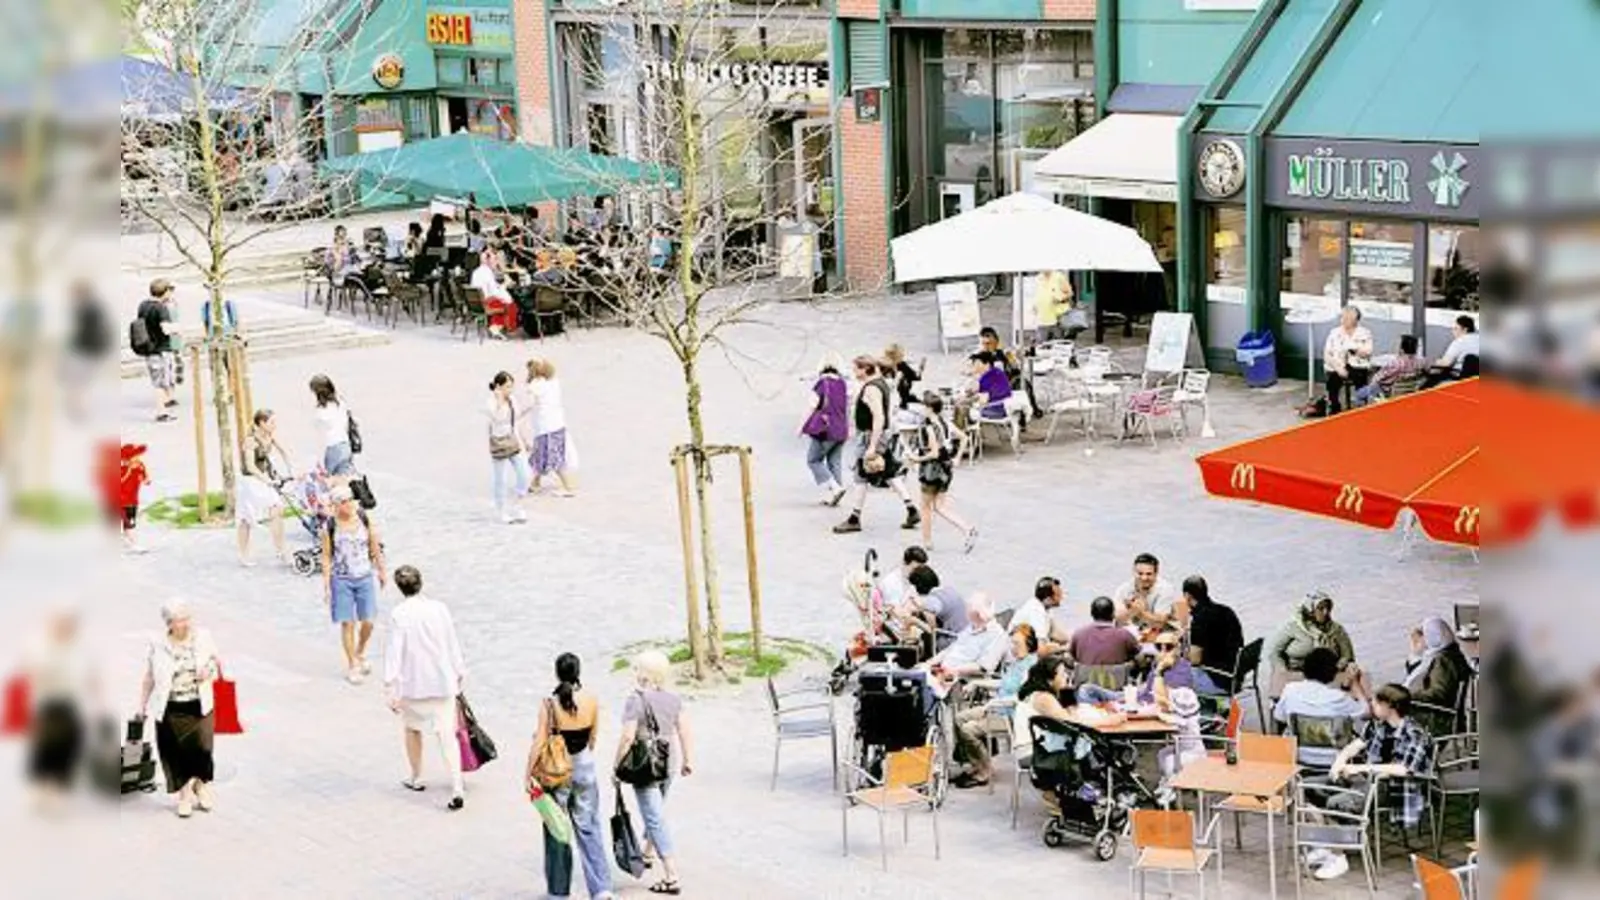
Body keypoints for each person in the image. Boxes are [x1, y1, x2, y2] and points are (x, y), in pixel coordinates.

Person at [1303, 683, 1435, 880]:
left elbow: (1403, 769)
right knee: (1308, 787)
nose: (1371, 704)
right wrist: (1339, 762)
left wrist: (1360, 768)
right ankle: (1327, 845)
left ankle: (1338, 858)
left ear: (1390, 707)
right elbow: (1355, 745)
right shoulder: (1377, 725)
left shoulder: (1415, 734)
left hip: (1394, 788)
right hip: (1364, 780)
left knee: (1336, 803)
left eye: (1376, 702)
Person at [383, 566, 467, 811]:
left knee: (412, 729)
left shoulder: (400, 614)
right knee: (447, 736)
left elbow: (394, 652)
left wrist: (391, 685)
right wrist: (459, 669)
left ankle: (416, 776)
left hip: (414, 684)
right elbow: (451, 640)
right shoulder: (439, 608)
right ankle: (457, 785)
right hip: (442, 681)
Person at [531, 653, 614, 899]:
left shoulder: (549, 704)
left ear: (557, 673)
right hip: (584, 765)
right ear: (579, 672)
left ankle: (558, 892)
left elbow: (539, 741)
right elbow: (593, 738)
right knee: (589, 827)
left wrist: (528, 773)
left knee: (557, 828)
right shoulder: (591, 700)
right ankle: (601, 889)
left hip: (557, 772)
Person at [614, 651, 693, 897]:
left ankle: (671, 875)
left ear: (645, 673)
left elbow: (628, 737)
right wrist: (688, 760)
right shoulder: (674, 699)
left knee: (654, 816)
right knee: (657, 809)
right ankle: (647, 853)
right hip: (668, 760)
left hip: (645, 764)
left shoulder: (634, 700)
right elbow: (684, 730)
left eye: (637, 668)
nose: (634, 672)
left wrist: (616, 766)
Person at [137, 600, 220, 818]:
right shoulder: (158, 644)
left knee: (202, 751)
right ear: (169, 623)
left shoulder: (203, 637)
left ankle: (201, 786)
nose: (186, 624)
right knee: (175, 754)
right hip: (170, 706)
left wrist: (208, 670)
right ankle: (184, 795)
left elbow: (215, 662)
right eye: (180, 620)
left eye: (187, 618)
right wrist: (142, 706)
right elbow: (149, 677)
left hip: (199, 703)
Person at [832, 356, 921, 535]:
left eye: (856, 368)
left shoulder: (871, 389)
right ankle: (911, 509)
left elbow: (879, 417)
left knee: (861, 475)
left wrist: (872, 446)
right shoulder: (880, 383)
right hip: (877, 435)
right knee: (889, 472)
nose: (853, 372)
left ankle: (854, 518)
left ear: (865, 369)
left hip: (869, 436)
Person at [951, 624, 1038, 789]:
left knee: (968, 729)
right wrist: (977, 683)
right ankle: (977, 763)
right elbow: (1003, 684)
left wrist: (993, 703)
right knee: (959, 718)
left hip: (1009, 714)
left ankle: (984, 771)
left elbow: (1022, 696)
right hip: (996, 708)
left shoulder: (1030, 667)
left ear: (1029, 644)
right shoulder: (1016, 663)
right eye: (1012, 643)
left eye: (1017, 644)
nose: (1013, 648)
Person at [24, 607, 92, 812]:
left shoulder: (78, 649)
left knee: (69, 747)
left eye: (69, 624)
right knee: (45, 748)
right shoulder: (42, 647)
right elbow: (33, 674)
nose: (65, 628)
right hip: (47, 704)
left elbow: (87, 677)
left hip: (71, 705)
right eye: (61, 623)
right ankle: (43, 788)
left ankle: (56, 791)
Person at [321, 484, 387, 684]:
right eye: (344, 501)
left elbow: (374, 545)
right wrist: (326, 584)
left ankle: (360, 651)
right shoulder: (329, 527)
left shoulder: (363, 518)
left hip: (364, 575)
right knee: (347, 622)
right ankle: (352, 664)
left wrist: (382, 570)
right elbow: (326, 556)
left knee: (368, 621)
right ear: (335, 505)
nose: (349, 504)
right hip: (341, 579)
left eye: (350, 499)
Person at [1273, 648, 1369, 764]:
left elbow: (1279, 717)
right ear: (1333, 673)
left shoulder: (1290, 690)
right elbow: (1366, 713)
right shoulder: (1339, 698)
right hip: (1336, 759)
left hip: (1298, 756)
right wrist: (1355, 683)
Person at [909, 392, 977, 554]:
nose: (922, 409)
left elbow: (933, 453)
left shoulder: (929, 427)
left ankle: (927, 541)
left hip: (932, 469)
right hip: (946, 468)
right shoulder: (946, 423)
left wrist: (915, 458)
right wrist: (957, 458)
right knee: (940, 506)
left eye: (924, 406)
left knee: (925, 506)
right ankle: (967, 529)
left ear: (930, 408)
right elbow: (964, 438)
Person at [1269, 591, 1360, 696]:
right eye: (1321, 609)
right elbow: (1274, 652)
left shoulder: (1336, 630)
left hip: (1330, 674)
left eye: (1328, 608)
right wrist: (1282, 669)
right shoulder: (1293, 628)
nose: (1326, 612)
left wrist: (1337, 667)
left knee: (1354, 671)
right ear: (1310, 611)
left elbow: (1347, 655)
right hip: (1297, 674)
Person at [1078, 629, 1194, 710]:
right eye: (1158, 647)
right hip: (1139, 696)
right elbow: (1148, 687)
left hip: (1145, 705)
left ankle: (1100, 720)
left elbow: (1164, 701)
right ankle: (1098, 717)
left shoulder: (1182, 669)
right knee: (1087, 689)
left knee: (1088, 692)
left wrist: (1160, 671)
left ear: (1178, 648)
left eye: (1169, 647)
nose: (1163, 651)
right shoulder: (1158, 661)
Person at [236, 409, 291, 567]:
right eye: (271, 422)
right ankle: (244, 554)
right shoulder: (250, 441)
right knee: (245, 518)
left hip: (262, 480)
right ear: (261, 423)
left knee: (276, 509)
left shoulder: (269, 436)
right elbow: (250, 466)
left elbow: (284, 452)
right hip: (250, 482)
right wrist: (267, 480)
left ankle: (280, 549)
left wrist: (290, 469)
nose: (275, 425)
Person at [524, 358, 578, 497]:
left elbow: (529, 404)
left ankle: (569, 487)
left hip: (545, 427)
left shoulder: (535, 386)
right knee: (539, 455)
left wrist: (515, 413)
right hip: (558, 424)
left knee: (552, 457)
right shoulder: (554, 382)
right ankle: (535, 483)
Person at [925, 596, 1008, 684]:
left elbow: (983, 667)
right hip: (943, 672)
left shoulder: (997, 635)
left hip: (962, 680)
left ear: (979, 615)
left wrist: (953, 671)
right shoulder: (971, 627)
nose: (967, 615)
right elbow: (950, 649)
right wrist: (929, 663)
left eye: (970, 613)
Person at [1184, 575, 1244, 697]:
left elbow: (1195, 660)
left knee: (1171, 674)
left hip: (1218, 681)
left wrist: (1183, 652)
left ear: (1187, 596)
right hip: (1235, 675)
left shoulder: (1199, 621)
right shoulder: (1226, 611)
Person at [1403, 616, 1474, 719]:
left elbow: (1438, 695)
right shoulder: (1451, 654)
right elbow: (1420, 675)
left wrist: (1407, 697)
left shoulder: (1443, 661)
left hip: (1436, 717)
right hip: (1441, 713)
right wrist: (1416, 654)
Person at [802, 358, 850, 506]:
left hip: (825, 430)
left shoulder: (822, 384)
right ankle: (837, 492)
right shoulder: (843, 384)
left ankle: (835, 488)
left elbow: (812, 406)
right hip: (842, 428)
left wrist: (801, 426)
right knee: (834, 462)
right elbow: (847, 407)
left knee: (813, 460)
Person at [486, 372, 530, 523]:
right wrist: (499, 400)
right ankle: (501, 510)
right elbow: (496, 419)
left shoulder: (512, 400)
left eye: (511, 386)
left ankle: (518, 504)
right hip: (499, 443)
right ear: (498, 386)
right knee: (501, 479)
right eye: (507, 387)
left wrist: (524, 440)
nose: (510, 390)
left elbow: (516, 421)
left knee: (524, 474)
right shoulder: (490, 402)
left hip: (513, 440)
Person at [64, 281, 111, 421]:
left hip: (84, 350)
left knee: (79, 381)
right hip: (86, 350)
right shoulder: (90, 309)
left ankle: (77, 407)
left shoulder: (84, 310)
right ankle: (78, 407)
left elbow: (82, 332)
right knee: (80, 381)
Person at [897, 565, 967, 653]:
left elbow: (932, 631)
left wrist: (913, 621)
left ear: (917, 586)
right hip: (965, 636)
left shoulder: (930, 602)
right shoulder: (949, 590)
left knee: (923, 639)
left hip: (952, 641)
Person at [137, 279, 179, 422]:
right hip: (161, 349)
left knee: (158, 381)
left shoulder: (143, 305)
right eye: (169, 290)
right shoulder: (161, 308)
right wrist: (177, 328)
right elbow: (166, 329)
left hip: (148, 349)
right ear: (165, 291)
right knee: (161, 382)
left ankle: (165, 408)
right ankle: (162, 412)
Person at [1322, 305, 1374, 414]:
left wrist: (1355, 350)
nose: (1344, 320)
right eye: (1343, 317)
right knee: (1333, 380)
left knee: (1360, 377)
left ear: (1356, 320)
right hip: (1337, 365)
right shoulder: (1334, 333)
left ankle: (1361, 407)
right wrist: (1338, 368)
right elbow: (1327, 354)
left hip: (1357, 364)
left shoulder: (1364, 333)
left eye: (1348, 318)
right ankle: (1335, 407)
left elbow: (1368, 352)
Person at [1112, 552, 1183, 629]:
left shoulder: (1165, 589)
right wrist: (1132, 612)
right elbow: (1116, 619)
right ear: (1133, 572)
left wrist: (1140, 612)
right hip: (1135, 630)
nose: (1144, 578)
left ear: (1156, 573)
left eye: (1149, 574)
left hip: (1164, 631)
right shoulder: (1123, 589)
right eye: (1140, 574)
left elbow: (1159, 623)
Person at [1067, 596, 1141, 667]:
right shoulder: (1124, 634)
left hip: (1085, 678)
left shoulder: (1078, 634)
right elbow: (1137, 652)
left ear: (1092, 614)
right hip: (1116, 678)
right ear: (1113, 614)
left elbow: (1072, 657)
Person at [1354, 334, 1426, 406]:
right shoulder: (1420, 361)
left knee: (1359, 394)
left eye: (1398, 344)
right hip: (1408, 393)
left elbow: (1379, 377)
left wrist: (1373, 379)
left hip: (1387, 391)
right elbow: (1427, 369)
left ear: (1402, 349)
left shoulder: (1396, 363)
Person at [308, 374, 356, 478]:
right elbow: (346, 425)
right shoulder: (341, 402)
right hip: (345, 444)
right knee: (345, 481)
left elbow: (321, 439)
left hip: (332, 448)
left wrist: (318, 461)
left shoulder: (320, 412)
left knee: (330, 482)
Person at [1009, 576, 1068, 657]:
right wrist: (1065, 648)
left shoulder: (1045, 607)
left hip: (1030, 649)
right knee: (1055, 647)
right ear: (1048, 599)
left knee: (1057, 647)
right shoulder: (1037, 612)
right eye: (1057, 594)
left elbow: (1055, 633)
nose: (1061, 597)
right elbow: (1041, 651)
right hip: (1019, 656)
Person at [469, 251, 518, 339]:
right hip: (486, 302)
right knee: (510, 304)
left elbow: (490, 287)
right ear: (487, 261)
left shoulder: (476, 272)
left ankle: (496, 326)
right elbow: (495, 292)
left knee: (503, 301)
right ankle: (496, 327)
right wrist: (505, 286)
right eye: (494, 259)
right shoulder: (487, 273)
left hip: (476, 304)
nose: (496, 262)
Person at [1424, 315, 1482, 387]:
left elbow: (1445, 363)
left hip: (1458, 378)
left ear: (1465, 330)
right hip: (1478, 381)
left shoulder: (1459, 341)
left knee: (1429, 380)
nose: (1452, 331)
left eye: (1455, 328)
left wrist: (1432, 365)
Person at [115, 442, 151, 554]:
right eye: (134, 456)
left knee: (130, 524)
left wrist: (144, 473)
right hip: (119, 501)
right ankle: (128, 543)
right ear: (127, 459)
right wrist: (129, 469)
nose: (137, 458)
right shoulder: (120, 469)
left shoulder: (140, 467)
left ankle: (129, 543)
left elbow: (146, 481)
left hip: (132, 501)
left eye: (137, 456)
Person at [877, 545, 927, 613]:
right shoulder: (892, 582)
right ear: (904, 562)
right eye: (915, 569)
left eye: (921, 569)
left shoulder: (909, 578)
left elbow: (916, 599)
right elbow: (895, 612)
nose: (919, 572)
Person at [968, 351, 1014, 421]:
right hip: (1007, 407)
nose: (975, 366)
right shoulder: (996, 371)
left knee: (966, 411)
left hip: (997, 410)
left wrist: (970, 400)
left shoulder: (986, 377)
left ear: (987, 364)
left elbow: (983, 401)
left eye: (978, 364)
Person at [883, 344, 920, 410]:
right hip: (893, 395)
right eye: (901, 355)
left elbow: (914, 376)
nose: (903, 356)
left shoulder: (902, 365)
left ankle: (906, 399)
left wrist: (919, 371)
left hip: (903, 393)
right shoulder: (885, 368)